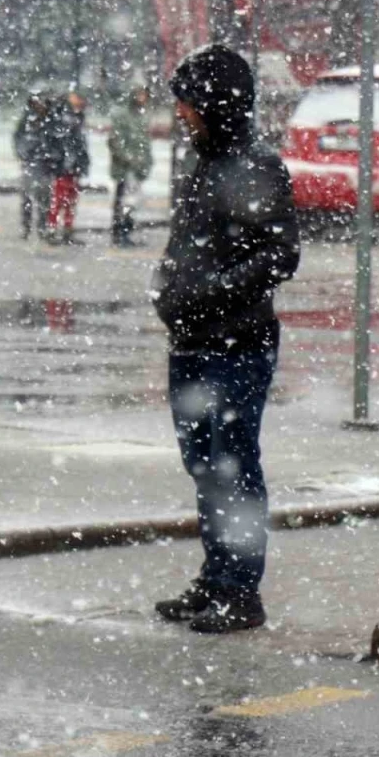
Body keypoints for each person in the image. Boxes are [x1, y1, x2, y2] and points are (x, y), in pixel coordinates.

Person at [150, 44, 300, 634]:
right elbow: (186, 247)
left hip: (236, 342)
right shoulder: (203, 163)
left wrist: (209, 292)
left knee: (231, 466)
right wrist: (168, 288)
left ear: (215, 102)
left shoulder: (254, 166)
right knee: (204, 465)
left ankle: (240, 592)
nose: (181, 111)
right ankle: (216, 580)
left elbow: (280, 255)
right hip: (191, 340)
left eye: (188, 100)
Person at [109, 85, 154, 247]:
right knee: (123, 201)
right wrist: (129, 157)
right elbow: (115, 141)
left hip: (136, 168)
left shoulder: (141, 116)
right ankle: (119, 232)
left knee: (133, 202)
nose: (143, 98)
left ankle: (127, 231)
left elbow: (144, 142)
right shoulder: (123, 116)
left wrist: (146, 161)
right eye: (140, 94)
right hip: (125, 168)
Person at [13, 87, 58, 240]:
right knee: (27, 196)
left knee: (44, 197)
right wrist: (24, 153)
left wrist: (52, 155)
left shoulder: (51, 119)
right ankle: (27, 226)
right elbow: (19, 138)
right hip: (31, 162)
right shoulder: (27, 120)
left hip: (45, 164)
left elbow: (57, 140)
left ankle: (42, 226)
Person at [46, 91, 90, 245]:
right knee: (59, 200)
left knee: (69, 200)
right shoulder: (63, 118)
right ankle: (54, 229)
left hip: (71, 166)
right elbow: (59, 141)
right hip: (63, 167)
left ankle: (65, 229)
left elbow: (80, 144)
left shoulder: (76, 118)